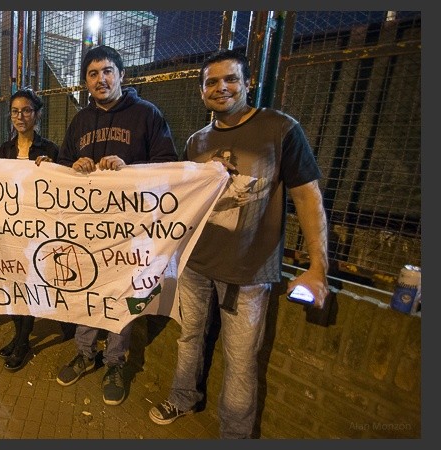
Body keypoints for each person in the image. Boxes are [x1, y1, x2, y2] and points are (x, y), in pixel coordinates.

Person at [147, 49, 329, 439]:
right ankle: (182, 397)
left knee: (242, 359)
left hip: (247, 274)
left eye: (230, 79)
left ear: (249, 83)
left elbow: (308, 196)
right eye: (211, 82)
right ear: (201, 92)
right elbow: (179, 198)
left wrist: (318, 268)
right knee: (189, 336)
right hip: (196, 265)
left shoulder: (280, 130)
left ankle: (234, 435)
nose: (221, 88)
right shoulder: (197, 141)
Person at [52, 45, 178, 406]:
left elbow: (166, 165)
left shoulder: (147, 115)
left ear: (122, 75)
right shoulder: (80, 121)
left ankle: (115, 363)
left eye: (107, 71)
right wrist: (73, 166)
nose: (101, 79)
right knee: (86, 288)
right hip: (87, 229)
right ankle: (84, 353)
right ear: (86, 82)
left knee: (121, 298)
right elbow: (63, 165)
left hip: (130, 231)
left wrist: (128, 168)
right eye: (92, 74)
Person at [0, 89, 59, 371]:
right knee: (11, 284)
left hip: (35, 231)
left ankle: (22, 342)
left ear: (37, 114)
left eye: (27, 110)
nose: (20, 116)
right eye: (15, 111)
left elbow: (59, 189)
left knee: (29, 284)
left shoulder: (51, 150)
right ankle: (18, 333)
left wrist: (51, 169)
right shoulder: (4, 150)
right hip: (8, 229)